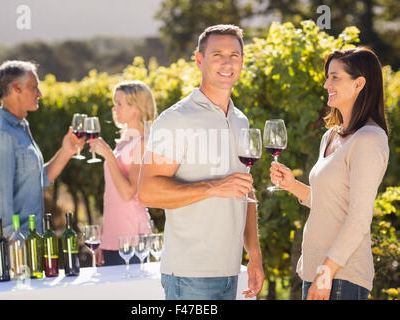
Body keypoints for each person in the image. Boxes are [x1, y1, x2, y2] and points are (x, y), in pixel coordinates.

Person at [138, 24, 265, 300]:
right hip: (189, 275)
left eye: (234, 55)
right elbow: (147, 192)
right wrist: (213, 187)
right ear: (199, 60)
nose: (227, 62)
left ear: (242, 61)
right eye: (217, 54)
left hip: (231, 271)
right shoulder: (175, 120)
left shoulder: (240, 120)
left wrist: (254, 255)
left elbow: (245, 190)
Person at [270, 47, 389, 300]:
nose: (326, 84)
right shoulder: (331, 136)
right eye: (327, 76)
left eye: (335, 77)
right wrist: (293, 186)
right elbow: (331, 203)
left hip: (341, 277)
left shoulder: (369, 139)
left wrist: (327, 272)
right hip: (317, 271)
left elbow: (358, 217)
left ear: (359, 84)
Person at [0, 60, 83, 250]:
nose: (40, 93)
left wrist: (66, 151)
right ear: (16, 88)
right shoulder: (1, 133)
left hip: (31, 241)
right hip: (17, 247)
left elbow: (36, 180)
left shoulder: (19, 127)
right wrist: (15, 250)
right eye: (34, 87)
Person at [87, 80, 157, 266]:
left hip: (132, 235)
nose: (114, 108)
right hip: (113, 236)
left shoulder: (143, 143)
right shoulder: (123, 143)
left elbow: (128, 193)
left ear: (137, 108)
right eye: (114, 103)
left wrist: (108, 155)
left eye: (120, 104)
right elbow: (112, 195)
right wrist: (104, 237)